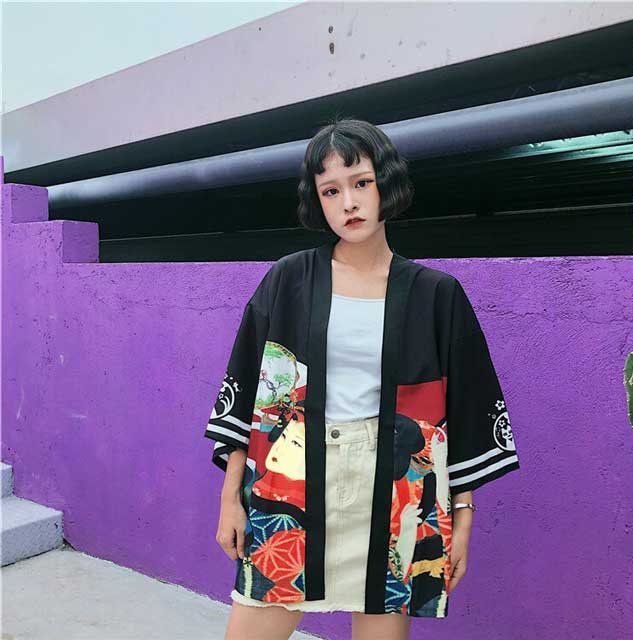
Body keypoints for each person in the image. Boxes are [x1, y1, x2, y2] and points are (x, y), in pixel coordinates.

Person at [205, 117, 520, 640]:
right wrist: (229, 499)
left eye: (361, 183)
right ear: (317, 200)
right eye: (331, 190)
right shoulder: (289, 280)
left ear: (385, 185)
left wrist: (462, 516)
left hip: (396, 492)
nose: (348, 203)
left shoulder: (435, 295)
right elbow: (251, 393)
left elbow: (465, 410)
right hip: (292, 483)